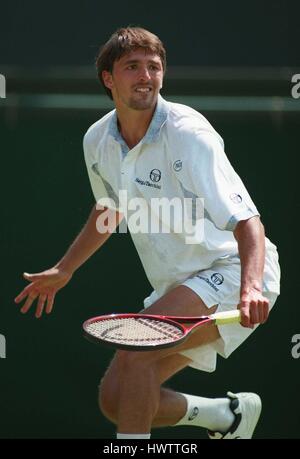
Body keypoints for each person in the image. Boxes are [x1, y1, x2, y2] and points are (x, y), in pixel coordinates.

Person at [15, 27, 280, 439]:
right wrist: (64, 269)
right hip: (181, 283)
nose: (146, 76)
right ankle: (226, 415)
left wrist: (250, 289)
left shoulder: (190, 135)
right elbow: (110, 210)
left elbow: (249, 222)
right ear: (109, 78)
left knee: (136, 351)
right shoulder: (97, 140)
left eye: (154, 67)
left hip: (233, 272)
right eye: (132, 67)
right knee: (116, 398)